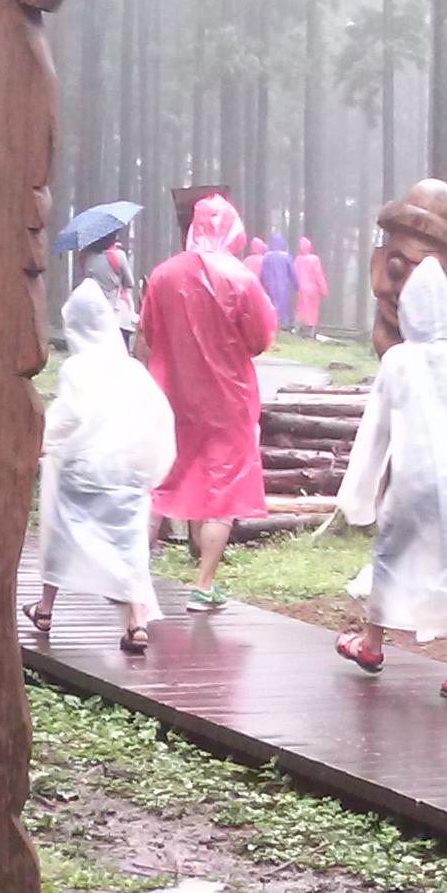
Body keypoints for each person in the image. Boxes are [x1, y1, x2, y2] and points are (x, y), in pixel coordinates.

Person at [333, 260, 447, 701]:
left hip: (412, 482)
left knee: (391, 556)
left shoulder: (398, 361)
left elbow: (375, 432)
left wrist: (358, 495)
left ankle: (372, 646)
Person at [137, 191, 274, 611]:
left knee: (159, 479)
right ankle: (203, 584)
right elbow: (260, 338)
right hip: (228, 399)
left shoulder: (163, 275)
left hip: (171, 391)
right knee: (222, 488)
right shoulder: (242, 279)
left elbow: (148, 331)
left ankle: (131, 576)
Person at [29, 279, 175, 655]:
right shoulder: (132, 371)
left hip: (83, 471)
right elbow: (157, 416)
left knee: (59, 530)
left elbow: (66, 417)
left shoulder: (75, 368)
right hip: (125, 473)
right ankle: (137, 622)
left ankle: (45, 609)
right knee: (130, 545)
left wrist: (42, 445)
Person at [258, 228, 298, 331]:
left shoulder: (266, 257)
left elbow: (262, 273)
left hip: (269, 286)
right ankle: (281, 327)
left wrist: (260, 285)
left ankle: (271, 327)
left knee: (271, 305)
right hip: (282, 287)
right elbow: (292, 273)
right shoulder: (286, 257)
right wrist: (297, 286)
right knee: (282, 307)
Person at [292, 235, 327, 332]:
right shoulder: (314, 259)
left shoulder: (298, 259)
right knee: (313, 310)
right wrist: (323, 289)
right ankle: (311, 331)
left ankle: (297, 329)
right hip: (313, 289)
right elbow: (319, 275)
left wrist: (296, 287)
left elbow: (294, 274)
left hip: (302, 288)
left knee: (301, 308)